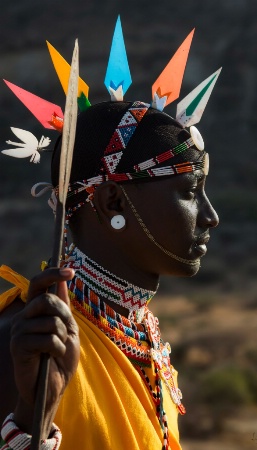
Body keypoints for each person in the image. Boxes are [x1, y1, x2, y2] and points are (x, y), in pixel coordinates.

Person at [0, 18, 220, 450]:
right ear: (112, 202)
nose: (210, 216)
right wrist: (33, 417)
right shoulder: (26, 343)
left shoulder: (140, 335)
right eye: (191, 193)